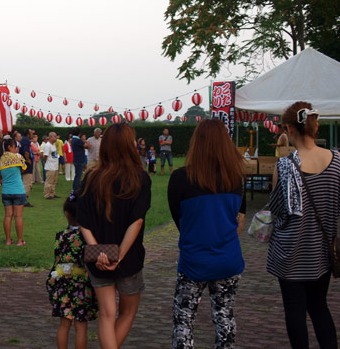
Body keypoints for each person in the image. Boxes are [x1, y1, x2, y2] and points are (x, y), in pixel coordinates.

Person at [167, 119, 245, 349]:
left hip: (194, 258)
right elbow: (239, 219)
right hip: (228, 257)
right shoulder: (235, 179)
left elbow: (179, 218)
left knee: (184, 319)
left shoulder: (181, 178)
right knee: (225, 316)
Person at [267, 102, 339, 349]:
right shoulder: (337, 160)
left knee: (295, 311)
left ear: (289, 128)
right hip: (322, 254)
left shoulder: (285, 166)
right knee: (320, 308)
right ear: (314, 125)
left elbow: (277, 212)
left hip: (291, 254)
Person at [77, 123, 151, 349]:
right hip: (127, 256)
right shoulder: (140, 177)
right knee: (127, 313)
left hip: (97, 254)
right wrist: (118, 255)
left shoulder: (91, 177)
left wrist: (99, 251)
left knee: (107, 315)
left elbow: (83, 221)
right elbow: (136, 221)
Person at [46, 191, 98, 349]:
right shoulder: (88, 237)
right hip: (82, 285)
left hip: (63, 284)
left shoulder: (61, 236)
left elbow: (57, 259)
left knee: (64, 325)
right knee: (81, 326)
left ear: (66, 214)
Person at [0, 138, 28, 246]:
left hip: (6, 191)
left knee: (8, 216)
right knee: (18, 216)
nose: (16, 148)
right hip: (18, 190)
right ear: (10, 147)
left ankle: (8, 240)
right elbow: (23, 170)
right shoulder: (18, 157)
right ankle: (19, 241)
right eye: (15, 146)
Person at [19, 128, 35, 207]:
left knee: (23, 182)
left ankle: (21, 199)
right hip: (26, 165)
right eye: (31, 133)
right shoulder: (26, 141)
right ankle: (24, 201)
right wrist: (28, 160)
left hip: (21, 163)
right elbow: (26, 151)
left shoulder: (22, 140)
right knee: (27, 183)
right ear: (28, 134)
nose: (32, 135)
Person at [43, 132, 60, 200]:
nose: (56, 138)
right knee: (49, 181)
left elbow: (54, 155)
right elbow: (45, 156)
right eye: (55, 136)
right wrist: (46, 163)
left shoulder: (53, 145)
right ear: (50, 137)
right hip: (50, 166)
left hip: (54, 166)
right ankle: (47, 194)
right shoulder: (48, 145)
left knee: (54, 181)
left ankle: (52, 193)